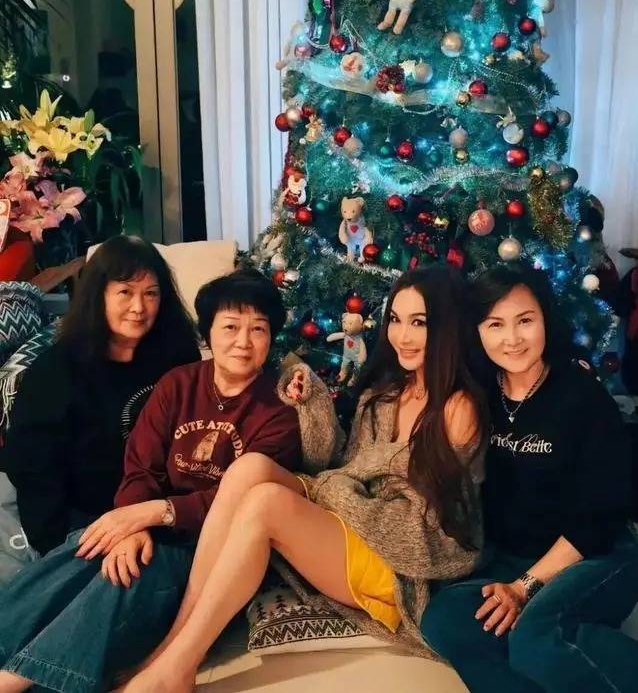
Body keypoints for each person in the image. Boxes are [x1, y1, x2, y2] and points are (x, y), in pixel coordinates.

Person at [118, 266, 488, 693]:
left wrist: (327, 491)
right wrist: (311, 404)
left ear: (447, 326)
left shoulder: (458, 410)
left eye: (419, 322)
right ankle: (174, 647)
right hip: (354, 527)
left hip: (402, 568)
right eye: (396, 320)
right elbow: (335, 463)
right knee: (249, 468)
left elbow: (423, 535)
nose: (402, 335)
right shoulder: (384, 396)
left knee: (265, 504)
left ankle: (177, 665)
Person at [0, 268, 316, 693]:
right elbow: (140, 465)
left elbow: (241, 499)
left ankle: (15, 680)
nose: (243, 341)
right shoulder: (178, 384)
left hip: (211, 549)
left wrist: (156, 515)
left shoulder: (277, 413)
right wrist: (133, 525)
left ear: (270, 337)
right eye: (230, 327)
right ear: (208, 333)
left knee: (129, 574)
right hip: (149, 523)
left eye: (257, 329)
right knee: (85, 547)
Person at [421, 262, 638, 693]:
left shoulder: (583, 395)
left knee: (533, 639)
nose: (512, 338)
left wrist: (524, 588)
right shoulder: (478, 395)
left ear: (545, 319)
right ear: (477, 331)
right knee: (443, 620)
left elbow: (599, 518)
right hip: (516, 557)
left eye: (525, 320)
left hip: (595, 555)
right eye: (495, 324)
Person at [3, 234, 200, 556]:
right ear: (99, 295)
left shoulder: (179, 357)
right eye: (125, 292)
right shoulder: (56, 370)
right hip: (82, 528)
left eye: (151, 293)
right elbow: (34, 470)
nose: (139, 307)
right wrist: (70, 542)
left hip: (164, 520)